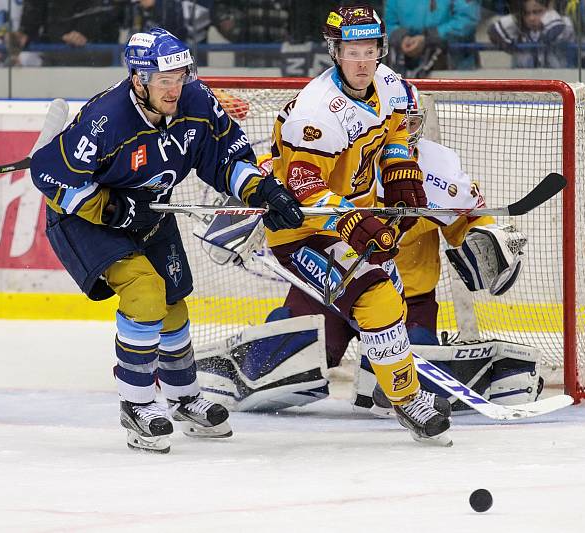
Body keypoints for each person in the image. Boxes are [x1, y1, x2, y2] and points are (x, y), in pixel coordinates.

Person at [195, 79, 542, 419]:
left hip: (408, 299)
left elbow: (469, 221)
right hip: (331, 283)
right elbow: (274, 177)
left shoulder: (438, 169)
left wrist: (489, 242)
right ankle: (221, 368)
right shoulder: (338, 149)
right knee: (289, 362)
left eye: (411, 123)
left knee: (386, 387)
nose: (403, 131)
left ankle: (465, 376)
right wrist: (241, 212)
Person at [29, 27, 304, 453]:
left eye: (180, 77)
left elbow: (228, 157)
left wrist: (262, 190)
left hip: (150, 211)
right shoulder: (108, 118)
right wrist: (113, 209)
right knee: (145, 291)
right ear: (139, 79)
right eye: (164, 80)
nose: (175, 88)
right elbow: (48, 175)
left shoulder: (195, 100)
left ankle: (183, 397)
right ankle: (137, 405)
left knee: (174, 301)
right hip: (86, 220)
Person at [266, 5, 453, 446]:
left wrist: (401, 171)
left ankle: (404, 397)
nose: (364, 61)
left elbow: (397, 137)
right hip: (303, 229)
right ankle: (408, 401)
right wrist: (351, 220)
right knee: (376, 298)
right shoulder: (316, 112)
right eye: (353, 51)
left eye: (370, 50)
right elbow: (304, 185)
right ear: (335, 52)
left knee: (389, 303)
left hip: (353, 219)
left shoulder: (391, 86)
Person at [385, 0, 481, 77]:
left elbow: (467, 20)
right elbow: (389, 22)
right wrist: (401, 38)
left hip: (453, 67)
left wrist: (429, 38)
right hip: (403, 67)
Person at [488, 0, 575, 68]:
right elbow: (493, 30)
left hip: (557, 79)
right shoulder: (519, 28)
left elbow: (555, 31)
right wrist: (518, 18)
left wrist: (549, 11)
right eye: (527, 13)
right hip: (525, 80)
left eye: (537, 12)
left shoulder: (564, 22)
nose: (531, 18)